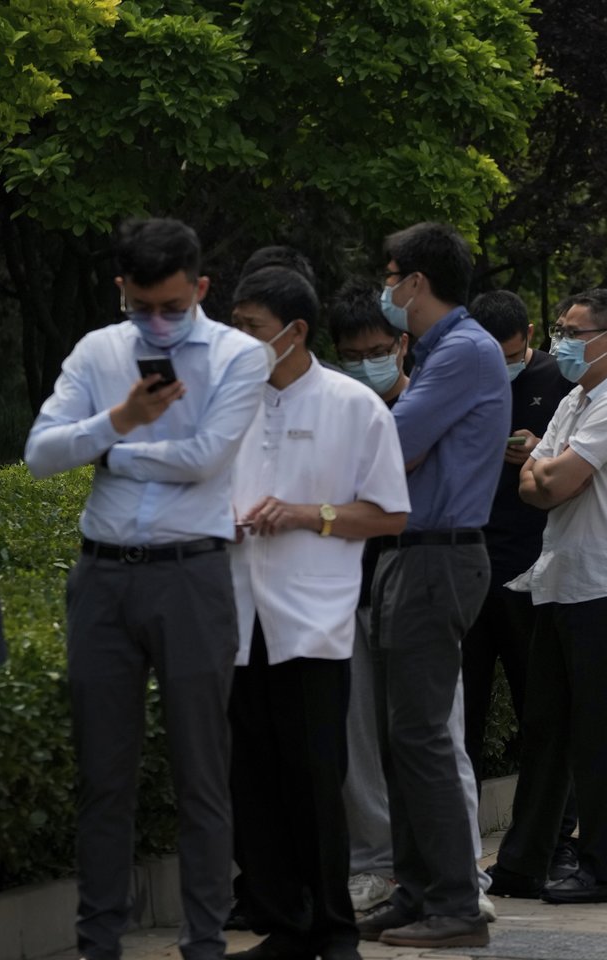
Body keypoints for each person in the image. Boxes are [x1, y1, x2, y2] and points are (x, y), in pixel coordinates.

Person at [24, 218, 269, 960]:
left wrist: (109, 452)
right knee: (103, 774)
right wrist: (121, 418)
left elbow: (206, 458)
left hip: (192, 573)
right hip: (102, 576)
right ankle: (98, 941)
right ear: (121, 289)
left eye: (172, 306)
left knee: (201, 770)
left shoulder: (238, 356)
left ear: (200, 287)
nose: (157, 322)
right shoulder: (97, 351)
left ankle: (204, 942)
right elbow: (40, 454)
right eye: (142, 306)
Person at [225, 266, 411, 960]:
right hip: (236, 619)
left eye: (252, 328)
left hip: (311, 622)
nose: (240, 340)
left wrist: (308, 514)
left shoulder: (352, 405)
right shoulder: (229, 402)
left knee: (314, 781)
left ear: (295, 331)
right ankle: (284, 925)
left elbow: (389, 514)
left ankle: (334, 931)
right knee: (253, 783)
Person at [357, 223, 509, 947]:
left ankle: (456, 904)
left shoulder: (465, 350)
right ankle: (416, 892)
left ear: (416, 281)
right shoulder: (438, 351)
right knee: (402, 737)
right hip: (409, 552)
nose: (385, 290)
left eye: (390, 277)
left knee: (420, 735)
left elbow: (393, 443)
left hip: (438, 556)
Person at [483, 289, 607, 905]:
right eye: (558, 329)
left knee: (600, 734)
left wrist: (546, 471)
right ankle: (523, 863)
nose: (560, 341)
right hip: (559, 581)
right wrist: (547, 471)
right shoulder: (575, 399)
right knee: (546, 729)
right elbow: (535, 481)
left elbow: (550, 480)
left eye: (571, 331)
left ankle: (600, 869)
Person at [326, 282, 489, 917]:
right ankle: (375, 866)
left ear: (401, 345)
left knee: (437, 737)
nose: (365, 364)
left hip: (417, 583)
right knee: (361, 743)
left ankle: (462, 874)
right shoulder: (336, 410)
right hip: (350, 590)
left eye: (376, 351)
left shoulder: (428, 405)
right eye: (351, 354)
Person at [460, 291, 572, 835]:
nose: (499, 366)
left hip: (532, 567)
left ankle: (552, 832)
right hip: (466, 563)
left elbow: (589, 460)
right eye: (488, 355)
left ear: (529, 336)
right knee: (462, 713)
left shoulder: (561, 381)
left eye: (508, 355)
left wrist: (541, 449)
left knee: (542, 709)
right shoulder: (456, 377)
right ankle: (457, 837)